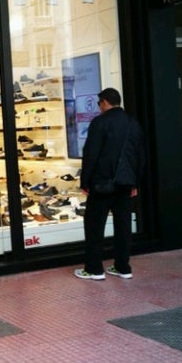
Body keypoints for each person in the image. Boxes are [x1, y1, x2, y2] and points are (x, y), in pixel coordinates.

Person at [75, 87, 145, 281]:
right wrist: (135, 184)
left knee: (94, 226)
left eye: (99, 103)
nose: (99, 107)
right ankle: (123, 267)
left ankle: (94, 269)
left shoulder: (100, 122)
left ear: (105, 102)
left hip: (102, 184)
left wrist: (85, 181)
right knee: (123, 227)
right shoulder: (133, 123)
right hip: (125, 184)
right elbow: (140, 156)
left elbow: (91, 154)